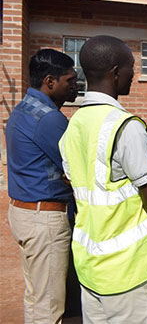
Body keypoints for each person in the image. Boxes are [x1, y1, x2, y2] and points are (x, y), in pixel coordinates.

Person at [59, 35, 147, 323]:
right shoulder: (126, 126)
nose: (134, 75)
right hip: (129, 270)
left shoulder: (74, 125)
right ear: (115, 72)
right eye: (131, 68)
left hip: (90, 266)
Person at [6, 49, 77, 323]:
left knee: (36, 297)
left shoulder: (23, 108)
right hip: (44, 219)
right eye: (69, 80)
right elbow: (75, 170)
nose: (74, 85)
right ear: (50, 82)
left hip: (24, 214)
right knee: (49, 307)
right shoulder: (49, 118)